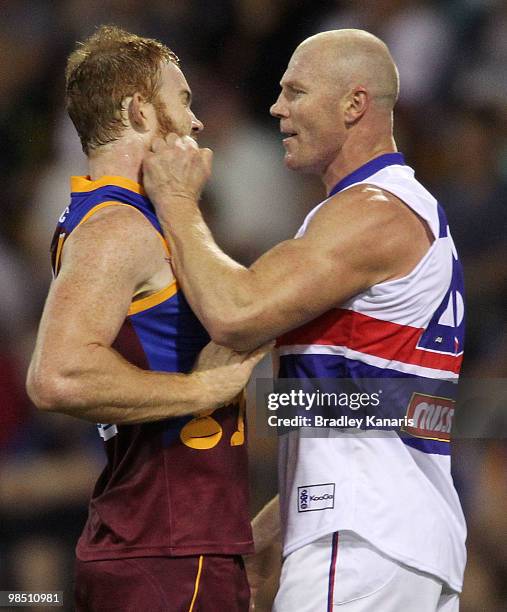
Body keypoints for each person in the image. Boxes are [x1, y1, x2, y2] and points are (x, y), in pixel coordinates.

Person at [142, 29, 466, 611]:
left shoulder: (373, 212)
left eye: (295, 91)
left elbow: (236, 314)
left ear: (354, 104)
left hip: (361, 540)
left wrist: (175, 200)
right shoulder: (394, 211)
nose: (276, 107)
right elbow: (364, 407)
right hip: (396, 542)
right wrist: (273, 525)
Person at [26, 26, 269, 612]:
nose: (197, 122)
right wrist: (199, 390)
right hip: (164, 552)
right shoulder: (118, 227)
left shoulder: (129, 219)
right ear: (140, 111)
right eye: (183, 101)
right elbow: (56, 375)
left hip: (175, 547)